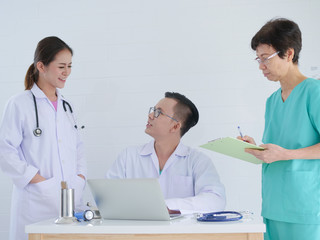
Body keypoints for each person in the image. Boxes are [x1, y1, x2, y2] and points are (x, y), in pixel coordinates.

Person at [240, 18, 320, 240]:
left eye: (266, 58)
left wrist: (286, 154)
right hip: (274, 206)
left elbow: (284, 152)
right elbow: (275, 151)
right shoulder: (272, 101)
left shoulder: (314, 93)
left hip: (305, 208)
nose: (261, 66)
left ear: (289, 54)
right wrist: (256, 149)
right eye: (258, 59)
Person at [0, 36, 87, 240]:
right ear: (41, 66)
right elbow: (4, 150)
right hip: (35, 202)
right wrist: (37, 180)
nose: (67, 72)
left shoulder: (67, 106)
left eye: (70, 66)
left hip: (69, 200)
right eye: (61, 66)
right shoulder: (19, 104)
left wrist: (80, 177)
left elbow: (78, 147)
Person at [106, 92, 225, 213]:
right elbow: (107, 196)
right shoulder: (128, 156)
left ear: (175, 127)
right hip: (136, 229)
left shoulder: (198, 161)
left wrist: (168, 206)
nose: (150, 115)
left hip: (181, 231)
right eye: (153, 110)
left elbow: (216, 200)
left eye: (159, 112)